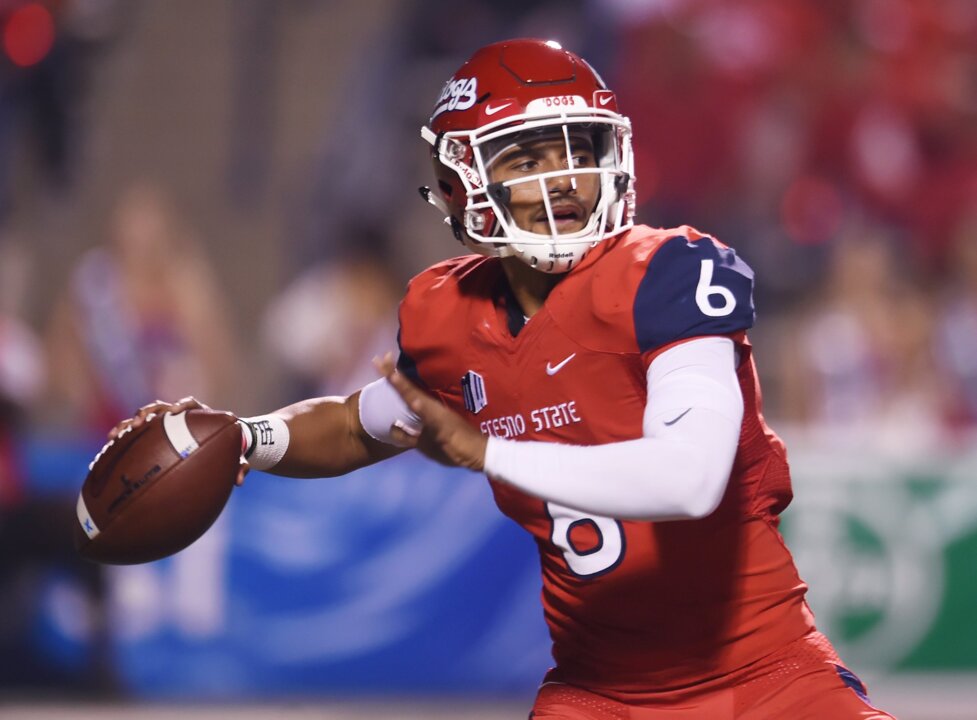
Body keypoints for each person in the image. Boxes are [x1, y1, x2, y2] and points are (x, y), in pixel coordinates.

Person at [107, 39, 895, 719]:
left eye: (575, 150)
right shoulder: (447, 316)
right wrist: (246, 437)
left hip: (763, 679)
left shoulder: (669, 274)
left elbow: (688, 477)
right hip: (600, 693)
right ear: (462, 184)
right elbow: (357, 423)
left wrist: (488, 453)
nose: (561, 179)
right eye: (527, 157)